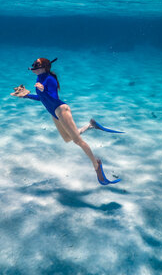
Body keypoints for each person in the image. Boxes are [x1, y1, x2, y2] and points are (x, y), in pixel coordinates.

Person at [10, 57, 118, 185]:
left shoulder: (50, 79)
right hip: (54, 113)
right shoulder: (39, 79)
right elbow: (41, 98)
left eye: (36, 64)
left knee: (78, 141)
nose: (33, 65)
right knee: (68, 139)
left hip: (61, 110)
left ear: (44, 66)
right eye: (34, 63)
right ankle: (90, 125)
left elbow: (54, 98)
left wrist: (43, 90)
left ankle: (97, 166)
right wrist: (27, 96)